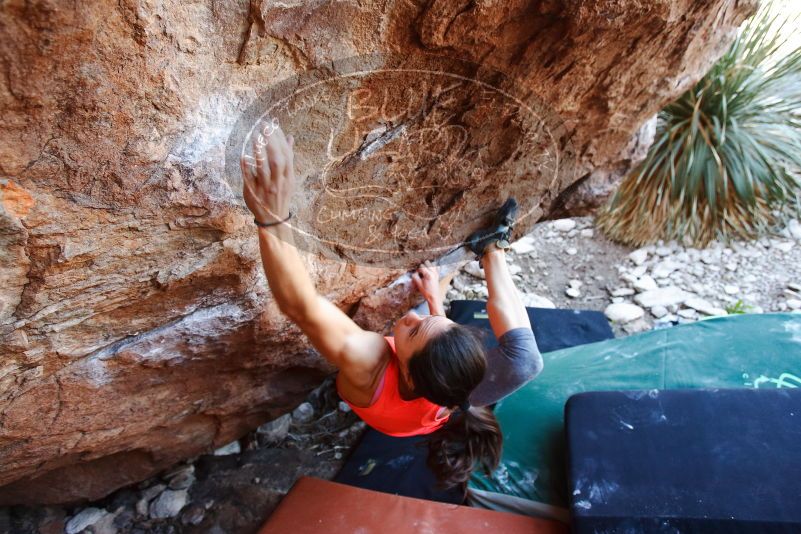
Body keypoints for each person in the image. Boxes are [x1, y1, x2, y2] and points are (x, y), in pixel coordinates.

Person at [241, 126, 543, 490]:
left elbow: (300, 305)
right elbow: (439, 346)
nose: (411, 316)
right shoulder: (450, 387)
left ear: (410, 373)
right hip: (430, 404)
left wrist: (272, 215)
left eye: (413, 330)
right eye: (435, 322)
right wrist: (434, 299)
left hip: (392, 414)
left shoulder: (368, 361)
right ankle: (493, 247)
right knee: (526, 363)